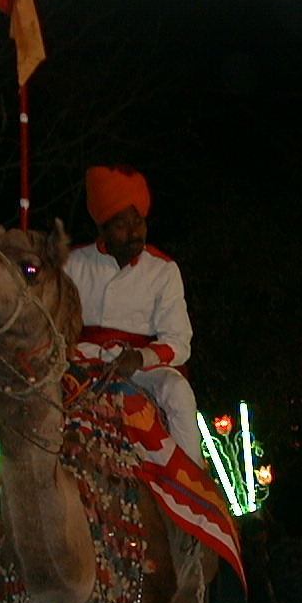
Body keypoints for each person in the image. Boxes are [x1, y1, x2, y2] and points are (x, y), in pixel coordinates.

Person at [63, 165, 202, 465]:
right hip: (79, 362)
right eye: (122, 226)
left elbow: (179, 342)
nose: (134, 232)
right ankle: (0, 492)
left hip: (140, 366)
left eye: (138, 222)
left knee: (179, 392)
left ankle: (196, 487)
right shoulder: (72, 263)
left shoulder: (163, 270)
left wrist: (140, 358)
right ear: (102, 230)